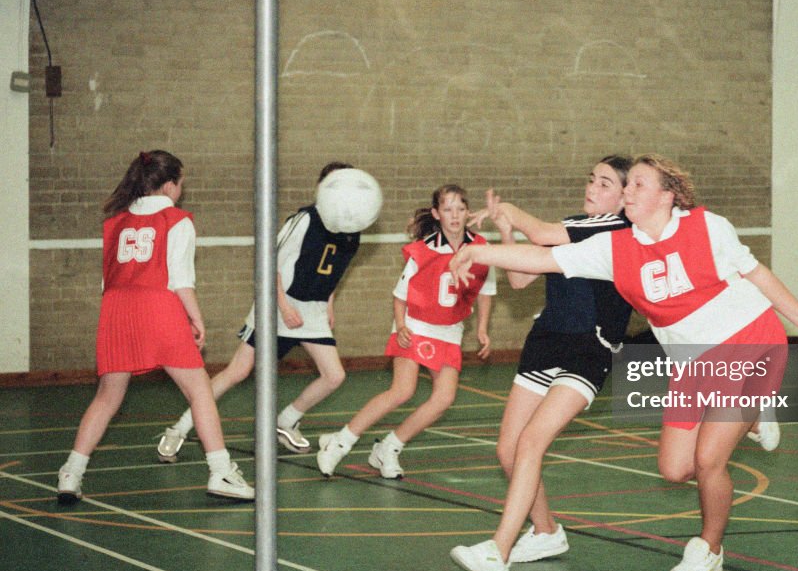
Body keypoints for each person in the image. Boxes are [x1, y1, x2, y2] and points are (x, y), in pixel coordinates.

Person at [447, 154, 798, 571]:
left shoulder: (707, 227)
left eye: (637, 185)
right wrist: (478, 251)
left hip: (749, 344)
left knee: (708, 460)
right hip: (693, 363)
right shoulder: (615, 248)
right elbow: (542, 259)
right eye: (626, 187)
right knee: (673, 468)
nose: (628, 192)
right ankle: (754, 415)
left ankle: (709, 548)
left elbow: (756, 273)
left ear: (667, 197)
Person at [448, 156, 634, 571]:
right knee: (509, 451)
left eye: (605, 183)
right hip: (545, 341)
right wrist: (506, 230)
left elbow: (543, 235)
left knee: (532, 442)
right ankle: (547, 532)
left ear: (624, 198)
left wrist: (511, 213)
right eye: (592, 179)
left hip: (589, 348)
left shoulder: (618, 232)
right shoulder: (576, 224)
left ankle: (498, 550)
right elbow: (519, 280)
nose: (592, 187)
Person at [57, 150, 254, 504]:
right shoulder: (176, 219)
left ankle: (71, 472)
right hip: (157, 305)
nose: (182, 190)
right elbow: (180, 280)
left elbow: (108, 282)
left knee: (107, 397)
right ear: (168, 185)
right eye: (181, 183)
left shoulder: (114, 223)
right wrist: (195, 317)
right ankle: (221, 470)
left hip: (116, 310)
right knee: (200, 391)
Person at [156, 162, 361, 461]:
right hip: (277, 303)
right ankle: (179, 429)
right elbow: (270, 262)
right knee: (237, 371)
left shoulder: (353, 230)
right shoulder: (305, 219)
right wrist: (282, 305)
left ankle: (286, 421)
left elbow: (333, 271)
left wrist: (328, 303)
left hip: (312, 310)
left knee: (334, 376)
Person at [316, 184, 495, 479]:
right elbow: (400, 295)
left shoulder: (480, 248)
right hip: (415, 323)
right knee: (402, 390)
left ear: (468, 213)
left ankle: (389, 447)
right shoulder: (423, 250)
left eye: (460, 209)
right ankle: (340, 442)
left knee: (444, 398)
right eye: (448, 209)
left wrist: (483, 328)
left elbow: (486, 290)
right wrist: (400, 326)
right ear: (437, 214)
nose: (454, 216)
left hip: (450, 329)